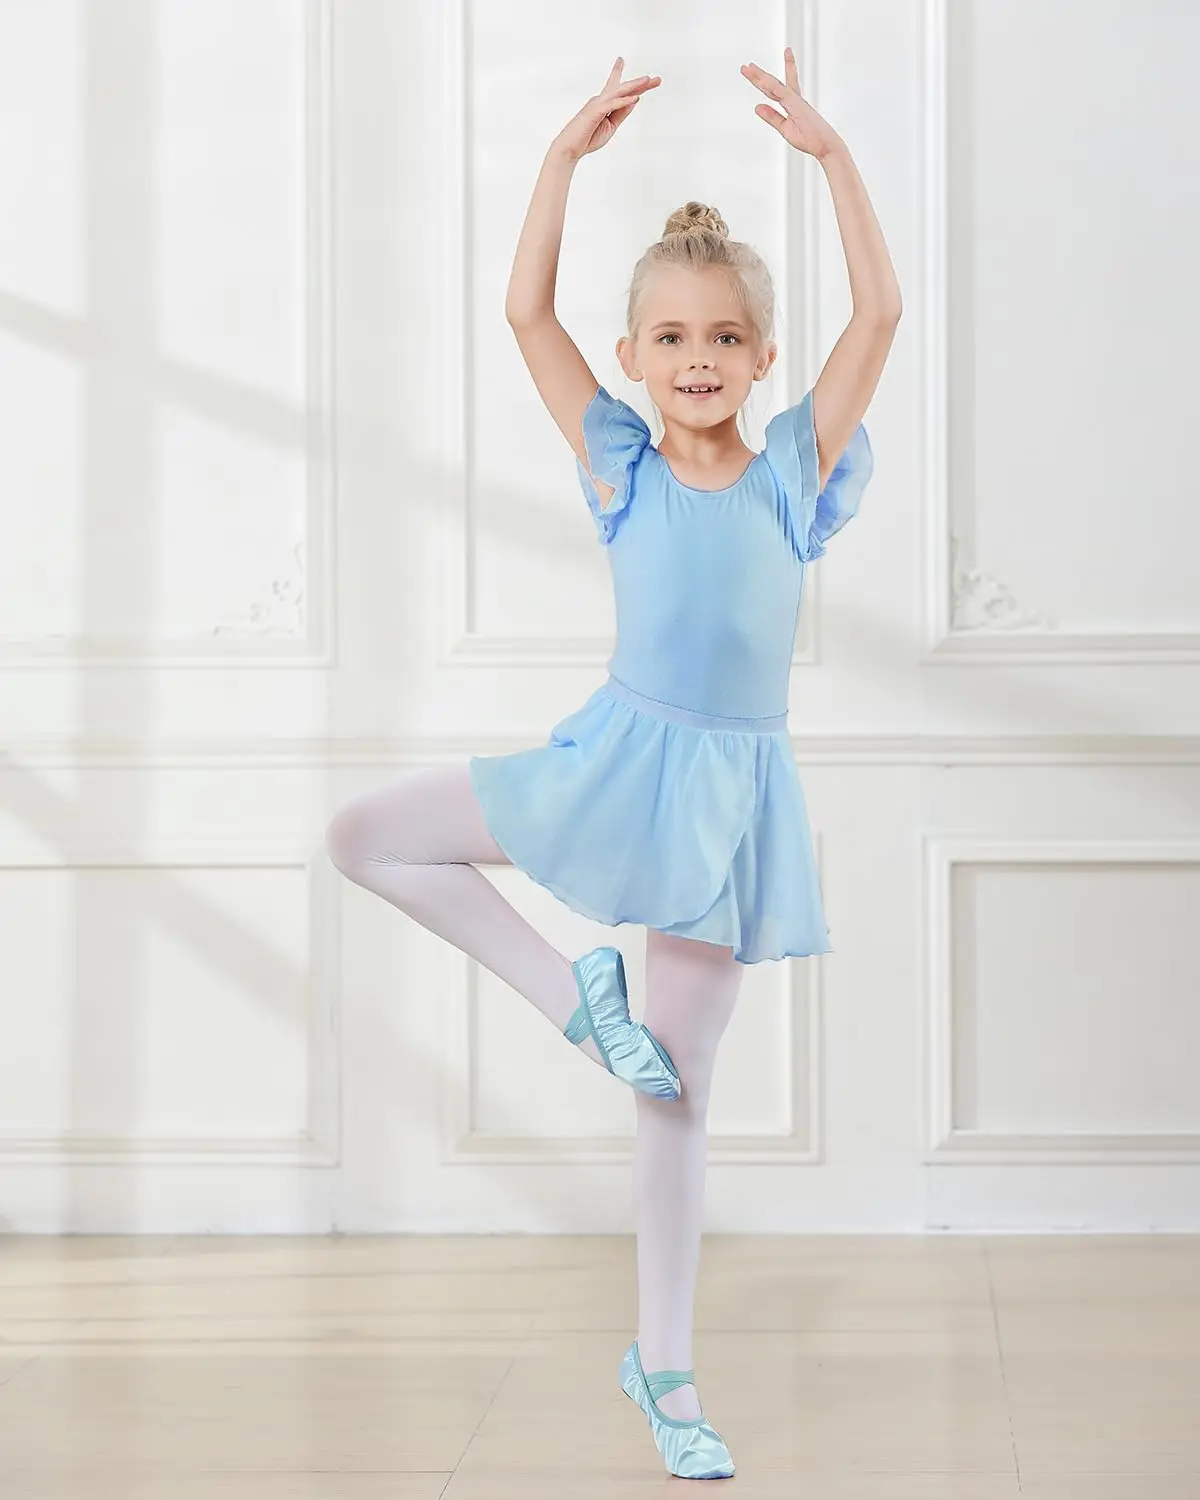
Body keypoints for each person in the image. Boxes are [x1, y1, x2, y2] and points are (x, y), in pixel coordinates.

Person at [326, 47, 901, 1481]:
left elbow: (884, 310)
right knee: (367, 833)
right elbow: (522, 309)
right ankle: (573, 1003)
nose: (696, 356)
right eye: (668, 339)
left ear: (761, 359)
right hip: (615, 757)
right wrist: (562, 163)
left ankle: (667, 1371)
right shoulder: (620, 466)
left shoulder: (791, 468)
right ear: (637, 358)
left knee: (679, 1093)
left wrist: (833, 161)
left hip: (730, 797)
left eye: (722, 336)